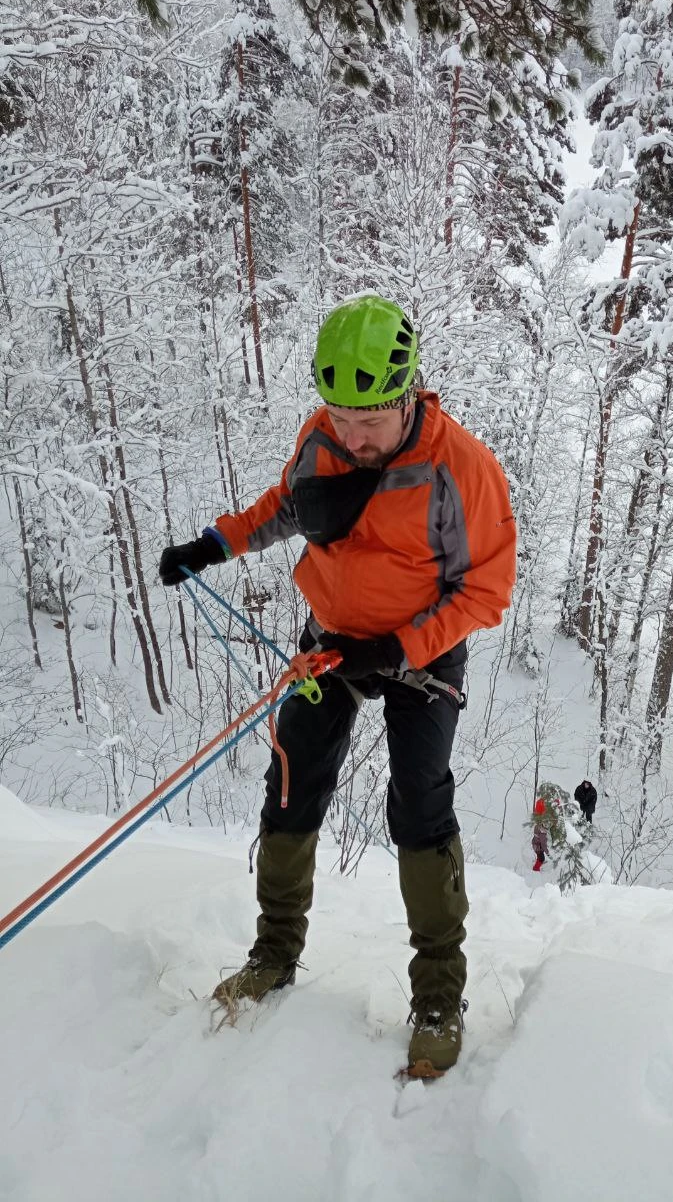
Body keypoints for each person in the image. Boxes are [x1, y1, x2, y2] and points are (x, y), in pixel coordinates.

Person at [159, 295, 516, 1077]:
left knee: (418, 803)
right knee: (290, 782)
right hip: (330, 642)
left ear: (407, 395)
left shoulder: (463, 469)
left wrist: (397, 646)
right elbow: (288, 508)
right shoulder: (322, 440)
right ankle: (275, 954)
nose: (351, 438)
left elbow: (487, 591)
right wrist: (213, 545)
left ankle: (437, 997)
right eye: (338, 418)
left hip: (422, 651)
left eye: (369, 425)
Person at [531, 797, 548, 871]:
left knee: (540, 854)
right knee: (542, 858)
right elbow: (543, 843)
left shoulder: (538, 825)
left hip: (536, 843)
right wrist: (547, 852)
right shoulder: (542, 831)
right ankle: (536, 868)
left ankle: (538, 860)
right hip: (537, 846)